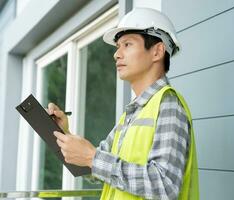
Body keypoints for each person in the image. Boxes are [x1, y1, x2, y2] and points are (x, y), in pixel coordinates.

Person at [48, 7, 199, 200]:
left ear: (157, 51)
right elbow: (92, 167)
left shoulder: (168, 105)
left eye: (127, 44)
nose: (116, 55)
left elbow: (165, 186)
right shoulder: (133, 113)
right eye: (118, 46)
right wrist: (62, 133)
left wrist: (92, 157)